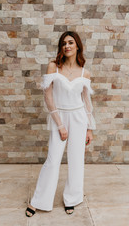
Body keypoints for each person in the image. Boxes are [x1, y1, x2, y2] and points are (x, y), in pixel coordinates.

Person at [25, 31, 96, 217]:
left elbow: (86, 101)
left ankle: (72, 199)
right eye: (64, 43)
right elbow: (48, 96)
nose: (67, 46)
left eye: (71, 42)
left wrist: (89, 128)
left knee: (76, 160)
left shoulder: (84, 72)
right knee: (53, 159)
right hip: (60, 117)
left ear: (77, 46)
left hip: (79, 118)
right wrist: (60, 125)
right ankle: (38, 200)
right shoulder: (53, 67)